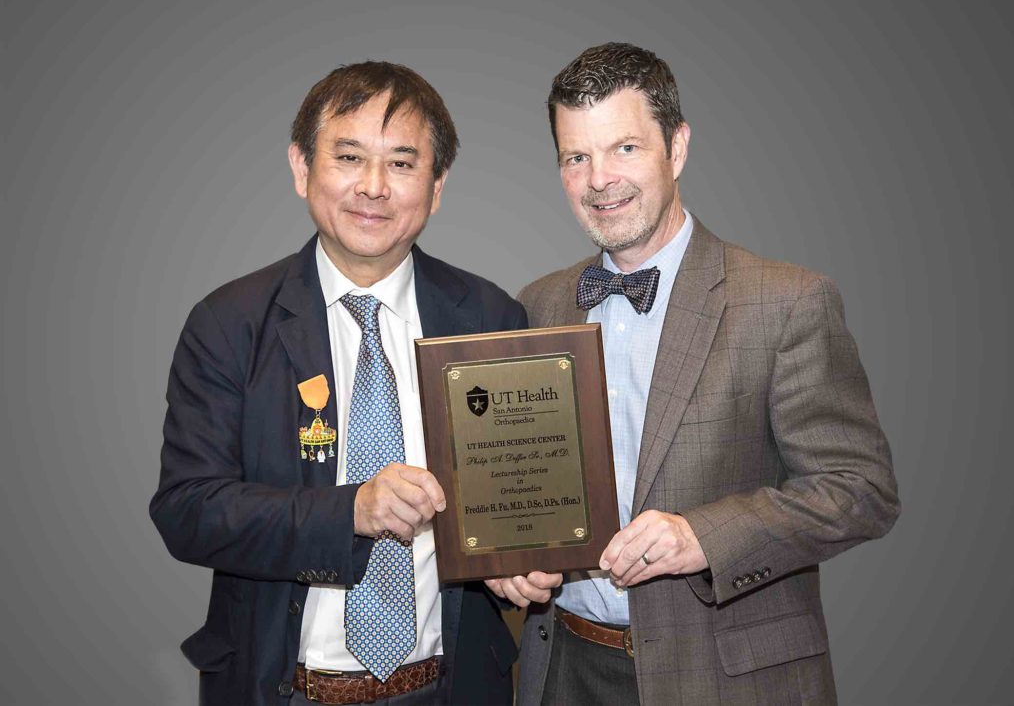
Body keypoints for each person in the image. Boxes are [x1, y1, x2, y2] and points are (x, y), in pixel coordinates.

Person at [485, 42, 900, 705]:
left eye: (624, 148)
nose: (600, 179)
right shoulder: (534, 305)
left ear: (676, 148)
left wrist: (700, 535)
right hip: (561, 667)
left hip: (725, 676)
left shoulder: (786, 300)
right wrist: (505, 561)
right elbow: (517, 487)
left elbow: (861, 490)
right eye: (576, 157)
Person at [151, 61, 525, 706]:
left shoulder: (490, 319)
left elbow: (513, 497)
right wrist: (350, 511)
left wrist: (525, 556)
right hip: (284, 690)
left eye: (403, 164)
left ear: (437, 186)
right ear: (302, 168)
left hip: (452, 688)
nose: (374, 187)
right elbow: (188, 511)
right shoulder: (230, 323)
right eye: (349, 156)